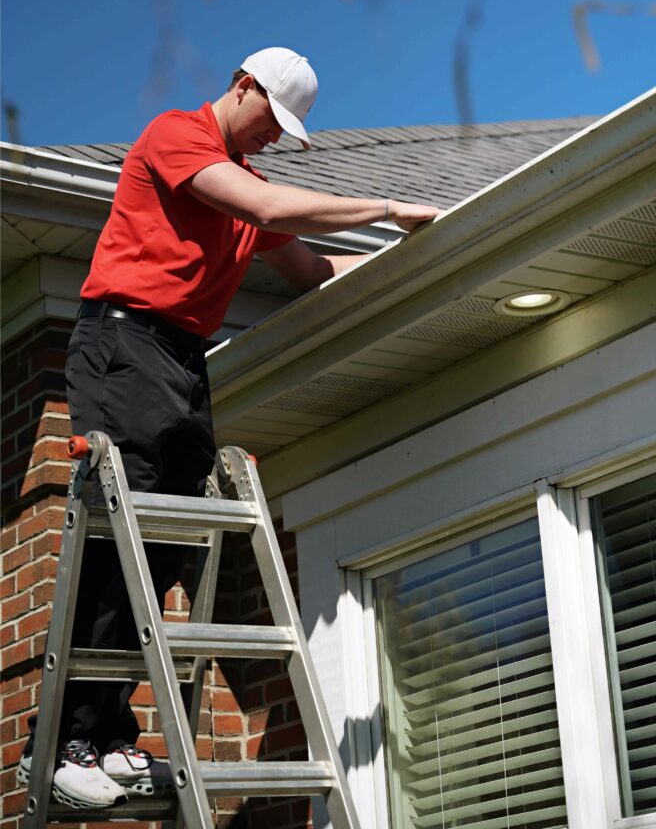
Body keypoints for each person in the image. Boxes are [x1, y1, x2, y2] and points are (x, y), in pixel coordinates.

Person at [19, 47, 440, 810]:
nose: (274, 138)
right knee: (124, 537)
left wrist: (422, 253)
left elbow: (314, 271)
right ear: (243, 86)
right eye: (270, 120)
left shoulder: (253, 187)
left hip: (181, 360)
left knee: (172, 548)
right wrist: (384, 207)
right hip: (124, 342)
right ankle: (66, 746)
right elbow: (268, 210)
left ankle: (113, 738)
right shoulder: (179, 136)